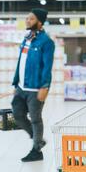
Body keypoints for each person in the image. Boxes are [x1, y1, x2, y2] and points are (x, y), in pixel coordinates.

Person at [11, 8, 55, 162]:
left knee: (35, 118)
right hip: (21, 87)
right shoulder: (26, 39)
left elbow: (47, 66)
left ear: (39, 22)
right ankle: (38, 139)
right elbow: (21, 63)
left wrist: (45, 86)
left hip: (36, 88)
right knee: (17, 114)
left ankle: (36, 150)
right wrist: (16, 82)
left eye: (31, 19)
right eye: (27, 18)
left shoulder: (47, 42)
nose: (27, 21)